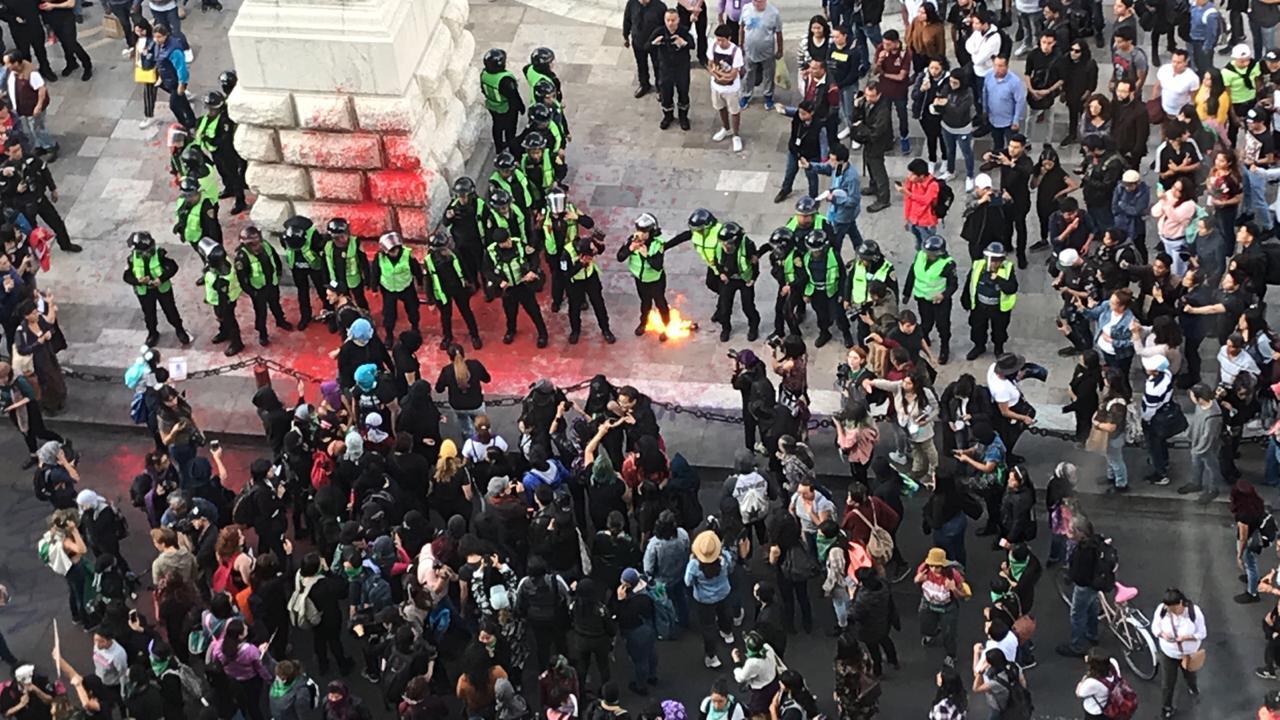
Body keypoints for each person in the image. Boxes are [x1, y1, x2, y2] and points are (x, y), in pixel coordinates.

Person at [486, 229, 548, 348]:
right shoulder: (491, 253)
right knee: (510, 312)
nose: (508, 243)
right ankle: (511, 331)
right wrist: (499, 281)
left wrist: (532, 271)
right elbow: (487, 271)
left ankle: (543, 334)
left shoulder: (519, 245)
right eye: (505, 242)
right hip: (508, 288)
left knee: (534, 311)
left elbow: (534, 256)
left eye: (508, 239)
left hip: (523, 285)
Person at [234, 226, 293, 347]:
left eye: (258, 242)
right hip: (258, 290)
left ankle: (280, 321)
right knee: (261, 313)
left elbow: (275, 259)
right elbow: (242, 280)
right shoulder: (242, 257)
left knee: (276, 304)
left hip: (272, 284)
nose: (257, 246)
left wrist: (279, 273)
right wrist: (252, 292)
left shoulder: (266, 246)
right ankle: (263, 334)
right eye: (253, 244)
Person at [1153, 588, 1206, 718]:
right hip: (1168, 653)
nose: (1172, 612)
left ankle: (1192, 687)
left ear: (1181, 603)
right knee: (1167, 683)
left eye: (1174, 609)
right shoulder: (1162, 610)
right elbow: (1155, 627)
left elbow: (1202, 633)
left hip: (1188, 654)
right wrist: (1162, 634)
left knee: (1190, 674)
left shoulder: (1195, 613)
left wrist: (1186, 637)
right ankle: (1166, 707)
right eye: (1169, 609)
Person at [617, 213, 671, 342]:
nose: (640, 234)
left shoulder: (657, 244)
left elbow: (658, 266)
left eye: (644, 231)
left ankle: (666, 327)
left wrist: (646, 255)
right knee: (645, 303)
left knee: (660, 304)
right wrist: (630, 248)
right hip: (640, 280)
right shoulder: (632, 240)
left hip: (656, 280)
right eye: (639, 230)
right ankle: (643, 323)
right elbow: (620, 257)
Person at [686, 530, 735, 668]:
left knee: (708, 626)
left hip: (704, 599)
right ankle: (727, 633)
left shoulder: (694, 566)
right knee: (725, 613)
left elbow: (688, 582)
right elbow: (730, 569)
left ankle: (712, 656)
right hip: (723, 593)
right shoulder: (724, 558)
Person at [962, 240, 1017, 360]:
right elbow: (969, 282)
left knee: (999, 330)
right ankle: (979, 346)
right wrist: (965, 299)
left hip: (998, 308)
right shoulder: (978, 266)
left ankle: (998, 348)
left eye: (996, 260)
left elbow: (1012, 288)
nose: (992, 263)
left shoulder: (1008, 269)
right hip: (980, 306)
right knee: (977, 327)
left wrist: (998, 279)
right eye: (990, 259)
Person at [916, 547, 968, 667]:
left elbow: (964, 596)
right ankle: (932, 634)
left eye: (937, 566)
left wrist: (953, 588)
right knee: (925, 624)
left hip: (947, 608)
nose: (934, 569)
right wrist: (918, 580)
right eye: (931, 566)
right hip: (928, 604)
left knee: (949, 634)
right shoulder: (924, 570)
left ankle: (951, 655)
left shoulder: (953, 575)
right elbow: (917, 581)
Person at [2, 52, 57, 162]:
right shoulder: (13, 72)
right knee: (31, 128)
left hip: (33, 108)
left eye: (7, 63)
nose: (5, 66)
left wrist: (38, 106)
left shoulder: (31, 74)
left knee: (38, 128)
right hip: (22, 107)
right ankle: (40, 145)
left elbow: (42, 89)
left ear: (16, 63)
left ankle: (50, 146)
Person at [810, 142, 863, 253]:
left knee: (835, 243)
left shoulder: (852, 178)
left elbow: (853, 200)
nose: (830, 162)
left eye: (833, 160)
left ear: (842, 161)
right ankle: (862, 250)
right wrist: (810, 166)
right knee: (853, 233)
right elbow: (826, 168)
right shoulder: (837, 168)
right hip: (841, 213)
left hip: (842, 216)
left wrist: (834, 199)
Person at [849, 83, 894, 213]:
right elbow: (856, 117)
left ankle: (884, 198)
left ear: (879, 95)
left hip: (878, 142)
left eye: (872, 96)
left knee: (877, 168)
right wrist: (857, 107)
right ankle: (873, 186)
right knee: (869, 163)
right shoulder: (866, 102)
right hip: (869, 140)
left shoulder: (883, 110)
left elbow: (877, 132)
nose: (868, 98)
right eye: (867, 95)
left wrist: (861, 128)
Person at [144, 24, 196, 129]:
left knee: (174, 105)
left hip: (175, 81)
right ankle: (192, 120)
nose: (156, 39)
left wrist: (181, 84)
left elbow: (181, 68)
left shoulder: (174, 50)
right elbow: (160, 62)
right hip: (167, 78)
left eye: (159, 37)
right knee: (182, 101)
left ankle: (185, 125)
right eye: (155, 36)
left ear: (165, 35)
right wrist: (160, 78)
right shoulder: (159, 45)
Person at [650, 10, 694, 130]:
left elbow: (692, 44)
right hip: (666, 69)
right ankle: (667, 116)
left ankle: (683, 117)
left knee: (683, 92)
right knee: (666, 94)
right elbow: (647, 46)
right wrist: (655, 43)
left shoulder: (684, 31)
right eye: (668, 20)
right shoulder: (659, 31)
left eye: (673, 20)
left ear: (678, 20)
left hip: (681, 69)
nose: (670, 23)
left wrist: (683, 43)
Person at [1180, 383, 1224, 503]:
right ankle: (1196, 483)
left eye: (1193, 396)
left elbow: (1208, 436)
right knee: (1196, 463)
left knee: (1211, 467)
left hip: (1208, 447)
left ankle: (1213, 489)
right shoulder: (1200, 406)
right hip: (1197, 442)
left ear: (1199, 398)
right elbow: (1196, 420)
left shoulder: (1213, 415)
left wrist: (1199, 449)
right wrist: (1190, 434)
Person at [934, 68, 977, 188]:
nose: (952, 85)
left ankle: (970, 175)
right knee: (949, 150)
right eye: (951, 82)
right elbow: (940, 100)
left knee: (966, 152)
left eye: (955, 83)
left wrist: (946, 104)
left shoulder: (968, 94)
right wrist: (937, 105)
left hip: (962, 127)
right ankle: (950, 171)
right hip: (947, 126)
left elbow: (959, 112)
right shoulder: (947, 88)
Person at [708, 24, 747, 152]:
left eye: (722, 40)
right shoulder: (713, 46)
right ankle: (726, 128)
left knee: (734, 111)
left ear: (729, 38)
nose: (719, 42)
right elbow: (710, 65)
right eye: (717, 39)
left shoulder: (736, 51)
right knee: (720, 107)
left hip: (731, 89)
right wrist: (717, 75)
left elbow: (733, 74)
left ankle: (736, 135)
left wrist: (720, 75)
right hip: (716, 86)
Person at [737, 0, 783, 109]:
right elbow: (741, 28)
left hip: (767, 51)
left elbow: (778, 33)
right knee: (748, 73)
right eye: (755, 1)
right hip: (749, 50)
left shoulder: (774, 13)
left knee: (768, 74)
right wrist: (740, 44)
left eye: (760, 1)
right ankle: (746, 95)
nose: (757, 4)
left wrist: (780, 49)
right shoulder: (746, 9)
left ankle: (768, 95)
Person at [774, 101, 822, 203]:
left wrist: (823, 160)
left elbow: (823, 144)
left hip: (810, 155)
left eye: (804, 114)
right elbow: (789, 111)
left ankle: (813, 197)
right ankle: (786, 189)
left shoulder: (819, 125)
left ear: (811, 113)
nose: (801, 116)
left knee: (812, 177)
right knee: (790, 172)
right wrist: (783, 108)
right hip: (795, 150)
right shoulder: (797, 116)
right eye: (800, 113)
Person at [480, 48, 525, 155]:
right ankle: (512, 148)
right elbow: (513, 97)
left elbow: (483, 89)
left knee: (497, 126)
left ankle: (499, 147)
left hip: (492, 106)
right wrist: (521, 107)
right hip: (506, 109)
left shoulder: (484, 74)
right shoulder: (505, 80)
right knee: (510, 129)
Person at [201, 243, 243, 356]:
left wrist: (221, 312)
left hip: (225, 301)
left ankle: (236, 343)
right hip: (217, 299)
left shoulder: (222, 281)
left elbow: (223, 298)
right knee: (224, 321)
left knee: (229, 320)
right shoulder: (224, 261)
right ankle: (224, 332)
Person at [323, 218, 371, 310]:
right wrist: (326, 280)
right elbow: (324, 264)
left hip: (354, 280)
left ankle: (365, 315)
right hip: (337, 280)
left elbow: (364, 262)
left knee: (360, 299)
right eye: (340, 237)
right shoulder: (327, 245)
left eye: (345, 234)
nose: (345, 238)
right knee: (342, 301)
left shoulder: (355, 242)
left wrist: (367, 279)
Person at [624, 0, 667, 99]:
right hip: (638, 41)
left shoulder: (660, 6)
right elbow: (627, 20)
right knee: (641, 64)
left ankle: (660, 88)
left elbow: (665, 26)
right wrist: (625, 36)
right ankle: (644, 84)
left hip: (654, 43)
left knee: (658, 66)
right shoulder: (632, 3)